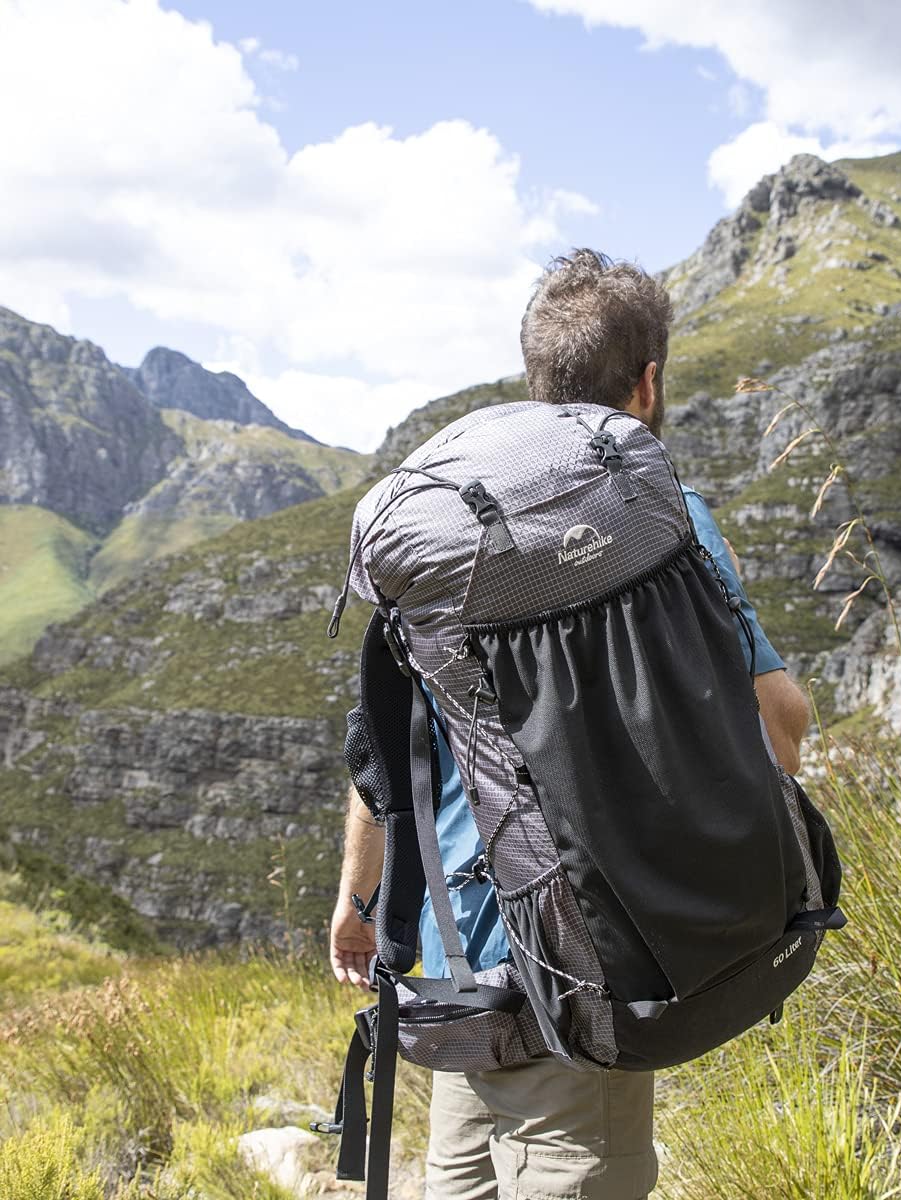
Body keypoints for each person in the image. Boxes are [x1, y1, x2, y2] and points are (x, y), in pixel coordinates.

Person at [329, 249, 812, 1200]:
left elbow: (387, 752)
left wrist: (358, 904)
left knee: (459, 1176)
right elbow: (782, 725)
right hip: (582, 945)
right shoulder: (658, 512)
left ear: (534, 376)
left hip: (455, 949)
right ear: (649, 383)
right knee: (572, 1166)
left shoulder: (448, 541)